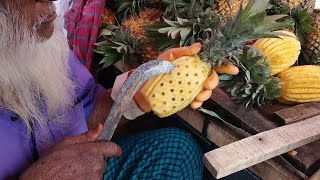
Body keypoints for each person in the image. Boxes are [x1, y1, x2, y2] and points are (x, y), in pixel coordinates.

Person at [0, 0, 221, 179]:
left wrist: (139, 92)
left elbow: (85, 112)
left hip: (62, 161)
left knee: (177, 151)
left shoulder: (35, 42)